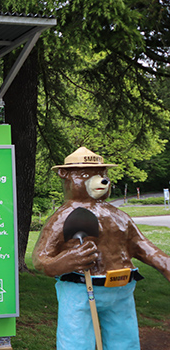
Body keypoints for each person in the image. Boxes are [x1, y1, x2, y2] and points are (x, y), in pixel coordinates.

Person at [33, 147, 170, 350]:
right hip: (80, 289)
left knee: (125, 342)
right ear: (66, 176)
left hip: (121, 290)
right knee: (76, 343)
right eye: (87, 175)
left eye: (102, 175)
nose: (101, 181)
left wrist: (165, 264)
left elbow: (141, 246)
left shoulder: (119, 215)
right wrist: (62, 262)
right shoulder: (63, 217)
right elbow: (40, 259)